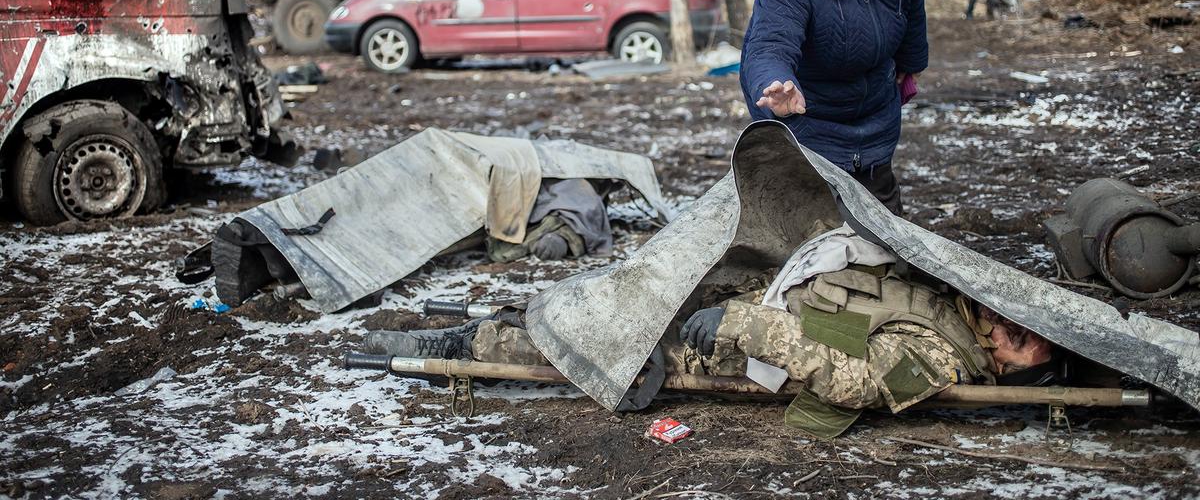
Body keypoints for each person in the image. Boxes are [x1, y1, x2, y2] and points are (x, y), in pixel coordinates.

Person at [364, 239, 1055, 439]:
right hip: (757, 296)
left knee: (596, 341)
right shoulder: (957, 303)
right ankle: (501, 317)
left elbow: (857, 382)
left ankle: (455, 349)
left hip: (736, 344)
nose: (1020, 330)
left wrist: (745, 324)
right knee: (610, 293)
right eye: (1030, 328)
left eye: (1026, 346)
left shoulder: (942, 358)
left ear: (1007, 369)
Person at [740, 0, 927, 216]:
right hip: (809, 116)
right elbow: (768, 43)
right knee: (812, 229)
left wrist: (913, 61)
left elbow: (912, 10)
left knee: (885, 231)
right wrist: (774, 83)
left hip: (874, 112)